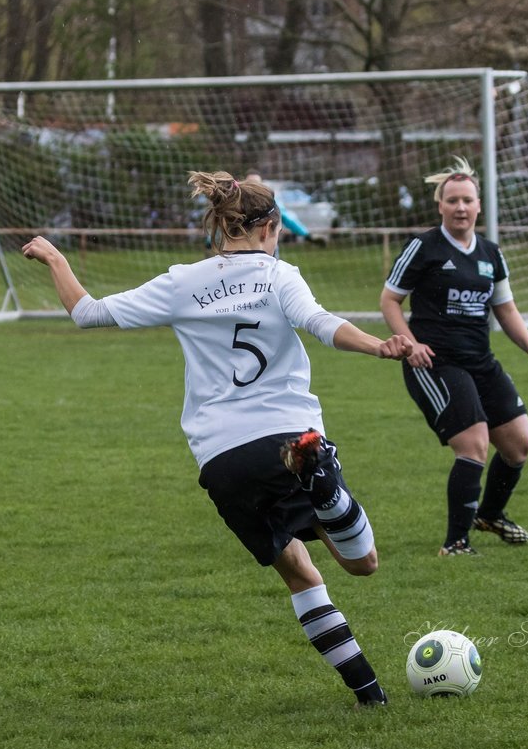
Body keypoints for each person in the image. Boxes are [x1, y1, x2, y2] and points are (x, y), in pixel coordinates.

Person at [23, 170, 412, 708]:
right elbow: (320, 323)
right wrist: (378, 346)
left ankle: (370, 696)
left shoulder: (183, 281)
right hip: (287, 433)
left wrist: (57, 260)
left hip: (222, 457)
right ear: (269, 228)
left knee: (299, 572)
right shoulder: (279, 276)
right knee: (361, 563)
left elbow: (87, 313)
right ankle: (325, 489)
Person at [380, 157, 528, 556]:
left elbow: (505, 309)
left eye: (468, 200)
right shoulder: (424, 247)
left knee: (518, 445)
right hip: (436, 363)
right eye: (453, 200)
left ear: (479, 206)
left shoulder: (491, 254)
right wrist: (410, 344)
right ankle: (455, 543)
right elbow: (390, 300)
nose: (461, 207)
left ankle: (490, 514)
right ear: (440, 206)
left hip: (481, 359)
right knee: (473, 444)